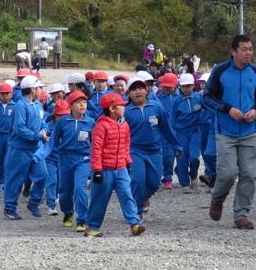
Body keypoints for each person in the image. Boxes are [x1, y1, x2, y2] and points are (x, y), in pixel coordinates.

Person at [202, 34, 256, 230]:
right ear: (233, 52)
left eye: (251, 49)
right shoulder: (220, 71)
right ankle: (217, 199)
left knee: (248, 174)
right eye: (244, 49)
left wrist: (255, 110)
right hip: (225, 131)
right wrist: (227, 109)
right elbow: (207, 97)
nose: (249, 53)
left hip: (250, 131)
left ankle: (241, 215)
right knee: (228, 173)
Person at [86, 93, 145, 238]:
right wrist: (97, 170)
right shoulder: (101, 126)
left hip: (120, 169)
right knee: (99, 199)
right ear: (112, 109)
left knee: (127, 195)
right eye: (122, 105)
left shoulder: (124, 125)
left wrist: (127, 161)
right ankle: (91, 227)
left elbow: (126, 145)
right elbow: (96, 149)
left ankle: (134, 224)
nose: (124, 108)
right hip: (104, 170)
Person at [125, 78, 181, 217]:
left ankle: (145, 197)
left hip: (155, 151)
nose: (138, 91)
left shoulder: (156, 106)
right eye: (133, 89)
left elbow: (166, 128)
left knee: (155, 183)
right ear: (128, 92)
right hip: (135, 151)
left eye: (141, 88)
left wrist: (176, 146)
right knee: (137, 179)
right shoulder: (126, 111)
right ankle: (137, 211)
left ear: (147, 90)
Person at [3, 76, 48, 220]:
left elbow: (43, 122)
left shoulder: (37, 105)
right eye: (39, 87)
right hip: (20, 149)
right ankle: (9, 209)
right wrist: (38, 136)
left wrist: (44, 130)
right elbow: (19, 128)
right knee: (15, 179)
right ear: (33, 89)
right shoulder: (20, 106)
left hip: (36, 149)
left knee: (42, 175)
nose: (41, 90)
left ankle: (33, 202)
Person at [49, 91, 95, 231]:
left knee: (80, 188)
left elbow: (96, 143)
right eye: (78, 102)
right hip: (65, 158)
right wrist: (42, 154)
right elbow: (53, 141)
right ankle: (68, 212)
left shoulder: (91, 122)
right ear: (70, 106)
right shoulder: (63, 121)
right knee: (65, 191)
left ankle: (82, 219)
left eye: (85, 102)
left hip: (84, 159)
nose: (82, 105)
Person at [172, 73, 204, 194]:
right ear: (180, 86)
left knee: (194, 157)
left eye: (188, 86)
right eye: (183, 86)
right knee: (181, 157)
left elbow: (207, 110)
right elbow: (172, 119)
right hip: (181, 133)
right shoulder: (177, 101)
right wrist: (172, 137)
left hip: (195, 131)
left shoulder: (198, 98)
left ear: (193, 86)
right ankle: (185, 184)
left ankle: (194, 175)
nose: (186, 89)